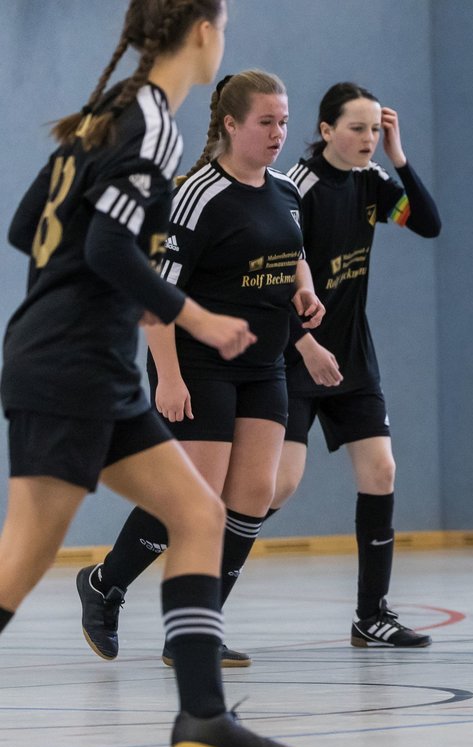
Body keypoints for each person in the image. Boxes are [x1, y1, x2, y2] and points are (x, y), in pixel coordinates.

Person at [1, 0, 301, 747]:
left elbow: (26, 223)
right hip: (71, 363)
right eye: (224, 26)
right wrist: (195, 317)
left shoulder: (106, 112)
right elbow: (106, 244)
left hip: (83, 359)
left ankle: (202, 717)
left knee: (199, 514)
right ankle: (202, 712)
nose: (222, 40)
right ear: (203, 31)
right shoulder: (154, 123)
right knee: (23, 559)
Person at [76, 69, 321, 668]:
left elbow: (293, 254)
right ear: (231, 124)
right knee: (198, 496)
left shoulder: (286, 190)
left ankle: (197, 630)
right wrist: (171, 377)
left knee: (252, 496)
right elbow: (155, 297)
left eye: (284, 122)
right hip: (197, 363)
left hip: (264, 365)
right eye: (266, 122)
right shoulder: (197, 196)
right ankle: (104, 585)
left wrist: (304, 293)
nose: (278, 134)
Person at [269, 82, 442, 648]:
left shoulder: (372, 183)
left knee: (381, 472)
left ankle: (372, 616)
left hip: (352, 359)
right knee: (275, 489)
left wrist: (400, 156)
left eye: (375, 129)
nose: (368, 139)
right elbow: (272, 280)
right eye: (357, 128)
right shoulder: (298, 188)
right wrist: (305, 343)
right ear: (325, 131)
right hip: (294, 357)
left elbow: (427, 223)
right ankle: (200, 602)